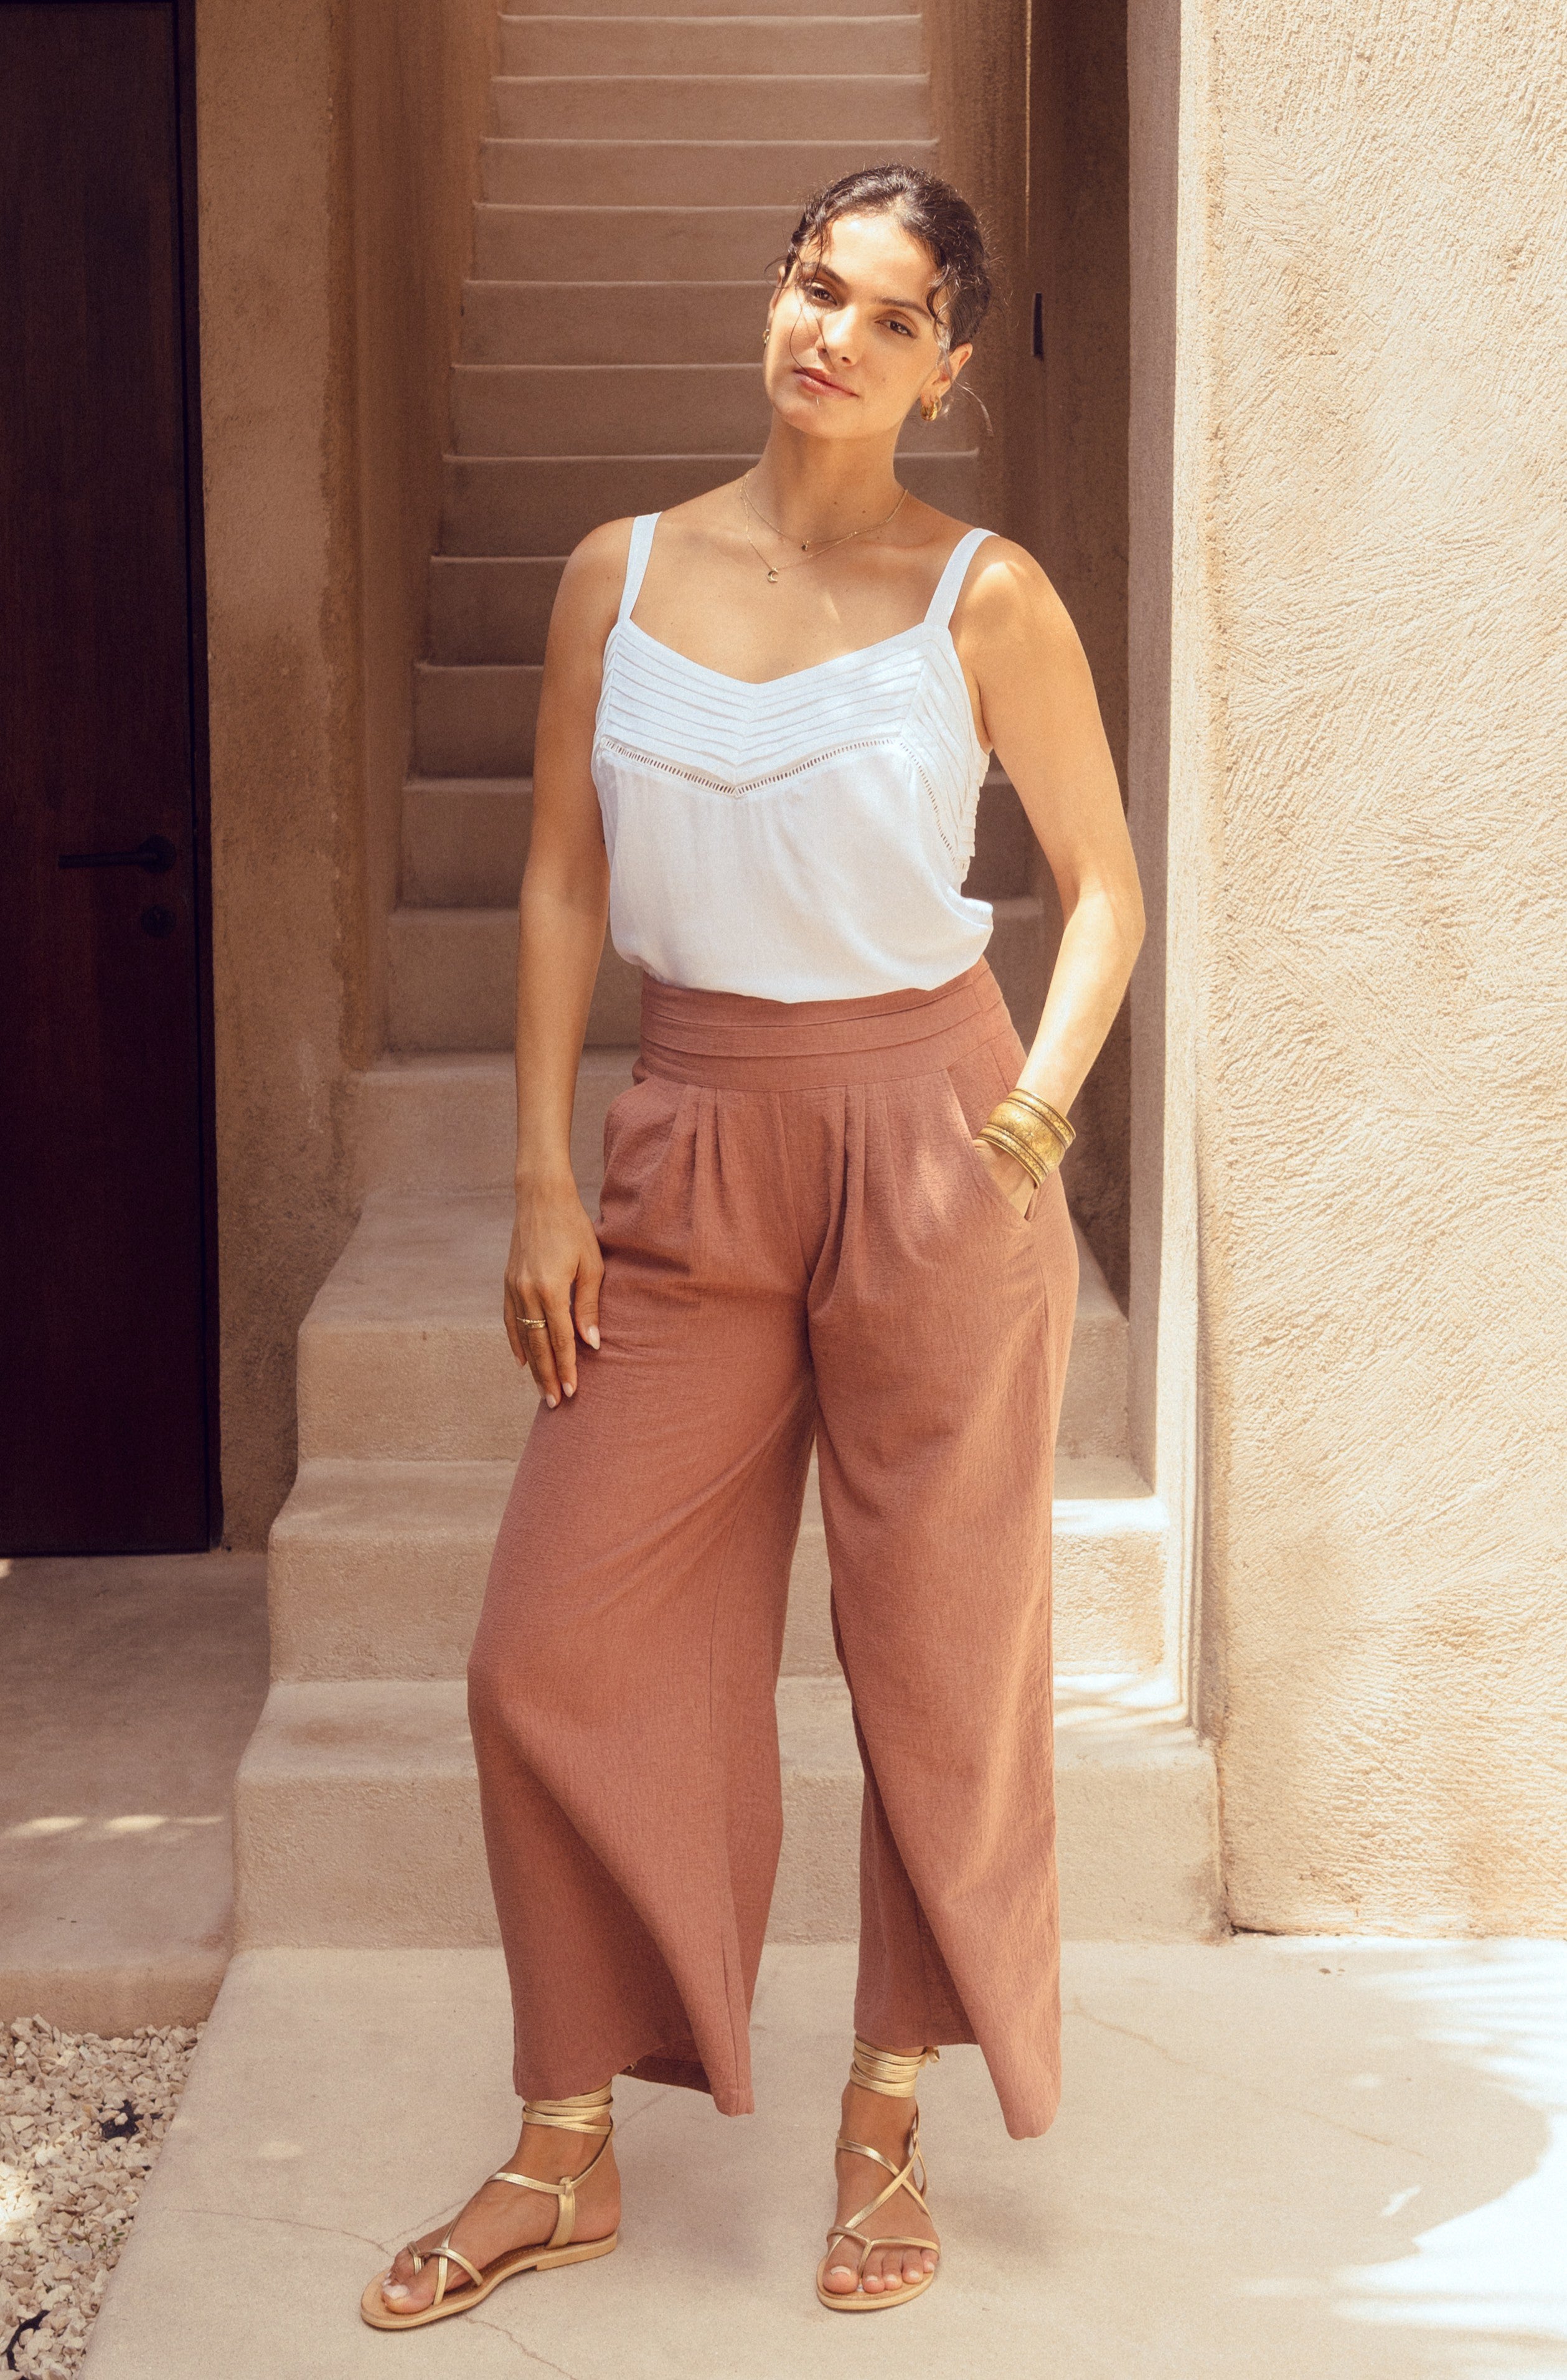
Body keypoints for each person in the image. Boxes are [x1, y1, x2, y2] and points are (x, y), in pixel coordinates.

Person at [362, 160, 1143, 2331]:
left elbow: (1105, 887)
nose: (836, 336)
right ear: (774, 293)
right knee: (548, 1647)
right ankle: (567, 2145)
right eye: (817, 286)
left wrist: (1026, 1123)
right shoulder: (616, 576)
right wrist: (542, 1174)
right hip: (692, 1136)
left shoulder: (985, 594)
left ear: (947, 370)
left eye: (892, 317)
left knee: (937, 1656)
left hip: (932, 1138)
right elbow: (557, 879)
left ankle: (886, 2115)